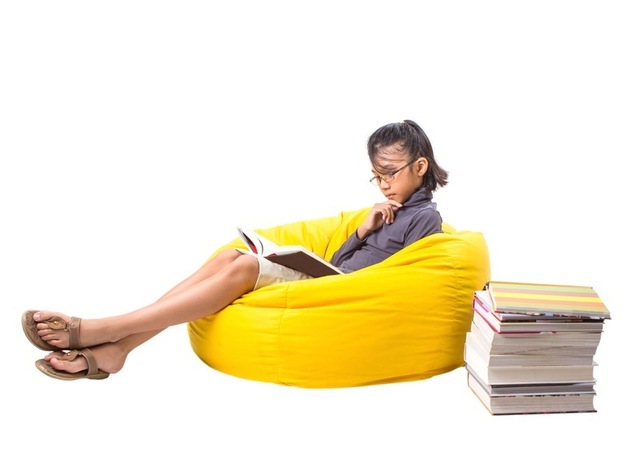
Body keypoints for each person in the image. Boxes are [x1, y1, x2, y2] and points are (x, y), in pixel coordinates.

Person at [22, 119, 449, 380]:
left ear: (420, 167)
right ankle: (117, 350)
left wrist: (353, 255)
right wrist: (360, 231)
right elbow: (341, 259)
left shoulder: (425, 220)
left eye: (389, 173)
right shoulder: (383, 211)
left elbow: (398, 281)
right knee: (230, 256)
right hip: (329, 276)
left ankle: (105, 330)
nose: (384, 183)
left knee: (244, 266)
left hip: (340, 293)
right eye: (376, 176)